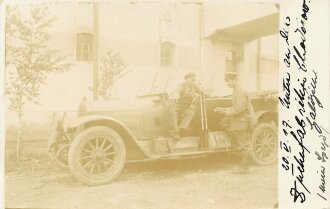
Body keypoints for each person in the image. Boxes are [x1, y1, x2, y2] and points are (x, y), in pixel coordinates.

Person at [215, 71, 255, 174]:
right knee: (225, 124)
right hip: (238, 120)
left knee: (245, 145)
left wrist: (226, 112)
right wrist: (223, 109)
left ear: (234, 80)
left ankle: (245, 168)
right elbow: (236, 107)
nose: (227, 84)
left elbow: (239, 108)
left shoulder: (240, 91)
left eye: (228, 82)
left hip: (241, 121)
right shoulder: (237, 89)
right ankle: (241, 163)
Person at [171, 72, 204, 138]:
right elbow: (177, 91)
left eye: (195, 80)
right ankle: (175, 133)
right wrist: (176, 95)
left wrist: (200, 94)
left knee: (191, 113)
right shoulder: (182, 85)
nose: (194, 82)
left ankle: (180, 129)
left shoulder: (195, 86)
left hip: (186, 107)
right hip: (177, 106)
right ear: (187, 80)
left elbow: (202, 92)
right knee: (174, 115)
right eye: (192, 80)